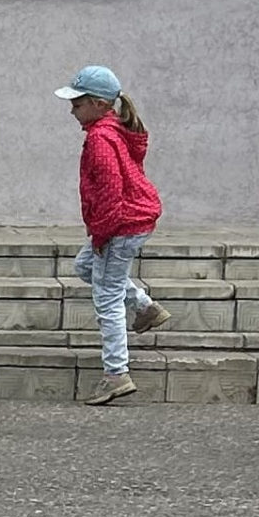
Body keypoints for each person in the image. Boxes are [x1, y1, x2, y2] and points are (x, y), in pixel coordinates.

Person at [57, 66, 165, 407]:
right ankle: (144, 306)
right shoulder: (112, 129)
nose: (72, 110)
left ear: (98, 104)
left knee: (106, 298)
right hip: (129, 222)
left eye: (77, 104)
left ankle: (116, 374)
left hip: (119, 226)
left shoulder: (101, 139)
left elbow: (109, 193)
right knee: (85, 267)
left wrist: (102, 236)